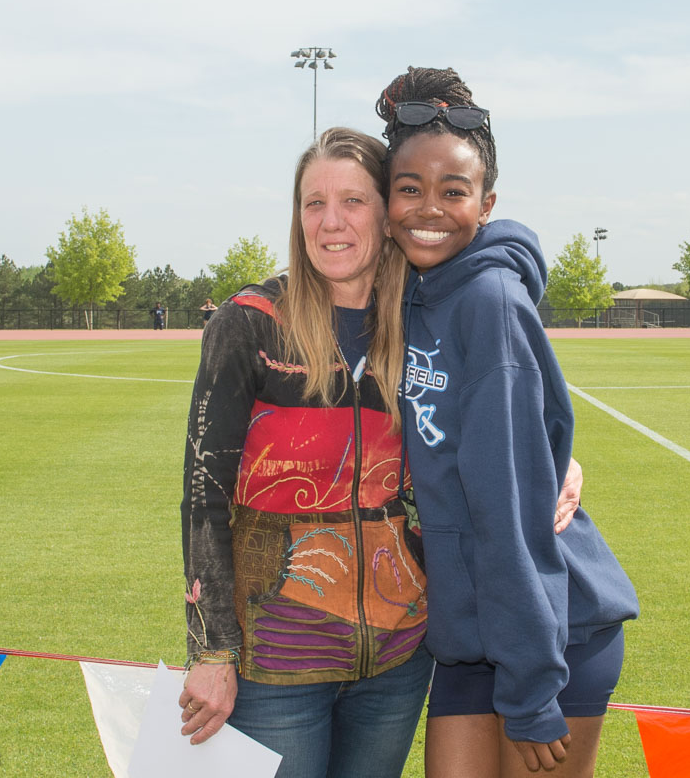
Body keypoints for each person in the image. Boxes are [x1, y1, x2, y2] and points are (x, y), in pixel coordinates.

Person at [176, 126, 584, 778]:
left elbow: (498, 412)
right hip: (279, 656)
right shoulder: (249, 321)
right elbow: (203, 498)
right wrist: (212, 647)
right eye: (314, 203)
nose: (331, 222)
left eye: (353, 202)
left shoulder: (423, 317)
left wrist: (559, 459)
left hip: (398, 657)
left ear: (386, 216)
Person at [375, 67, 639, 778]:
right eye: (409, 189)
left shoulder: (489, 301)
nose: (429, 209)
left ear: (486, 205)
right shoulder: (408, 292)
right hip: (467, 635)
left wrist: (529, 691)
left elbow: (511, 511)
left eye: (453, 192)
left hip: (552, 634)